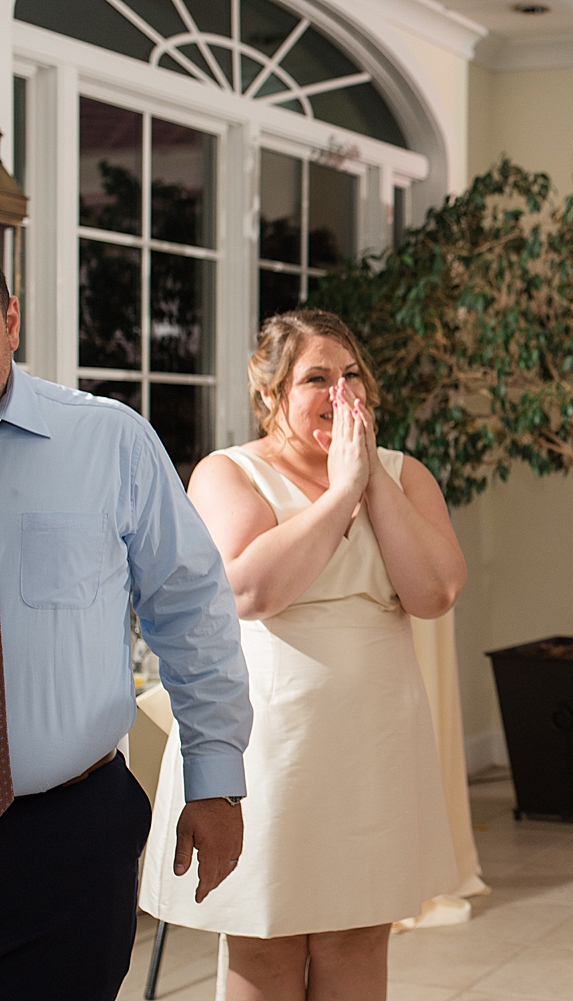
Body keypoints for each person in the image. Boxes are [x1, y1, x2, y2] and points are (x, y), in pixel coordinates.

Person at [139, 310, 467, 1000]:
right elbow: (255, 588)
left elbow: (434, 590)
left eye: (352, 377)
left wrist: (370, 478)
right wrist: (341, 493)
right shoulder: (229, 473)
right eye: (316, 377)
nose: (339, 393)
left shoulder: (405, 476)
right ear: (270, 394)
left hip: (373, 742)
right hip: (271, 746)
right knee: (268, 938)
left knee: (358, 934)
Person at [0, 269, 251, 999]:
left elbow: (190, 609)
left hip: (65, 836)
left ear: (11, 320)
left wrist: (214, 782)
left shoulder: (106, 440)